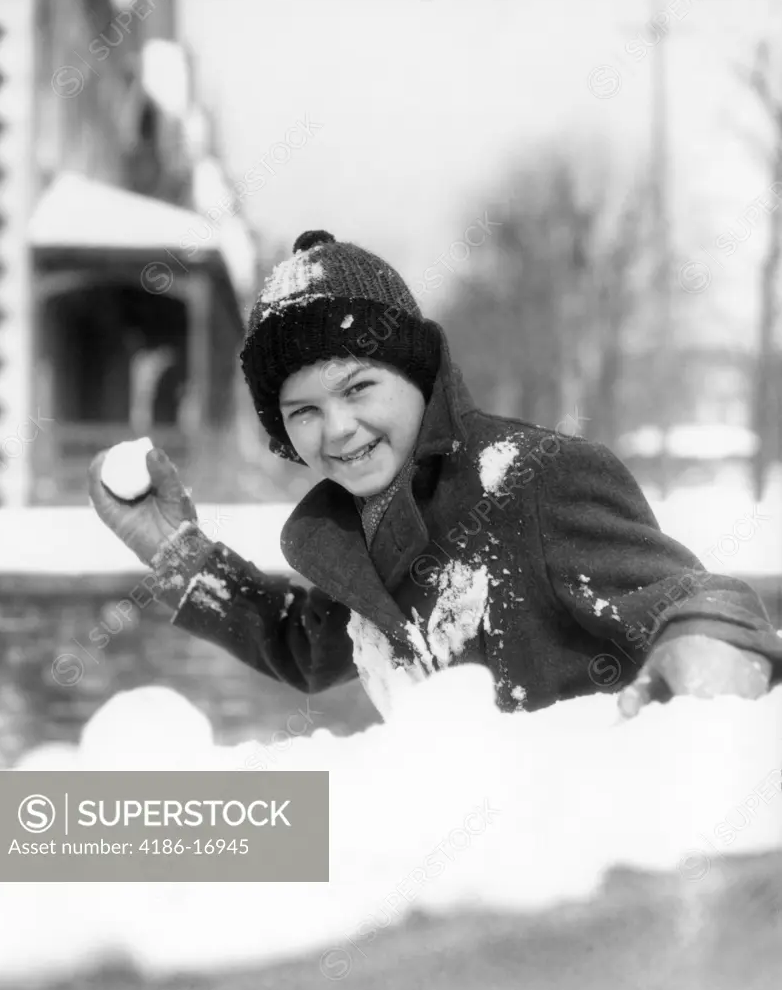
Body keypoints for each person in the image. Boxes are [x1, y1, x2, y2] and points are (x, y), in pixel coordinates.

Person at [88, 230, 781, 722]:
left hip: (589, 861)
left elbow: (692, 597)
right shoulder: (352, 531)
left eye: (359, 388)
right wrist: (179, 555)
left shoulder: (532, 479)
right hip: (469, 880)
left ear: (417, 375)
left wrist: (708, 644)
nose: (337, 430)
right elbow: (302, 645)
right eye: (303, 411)